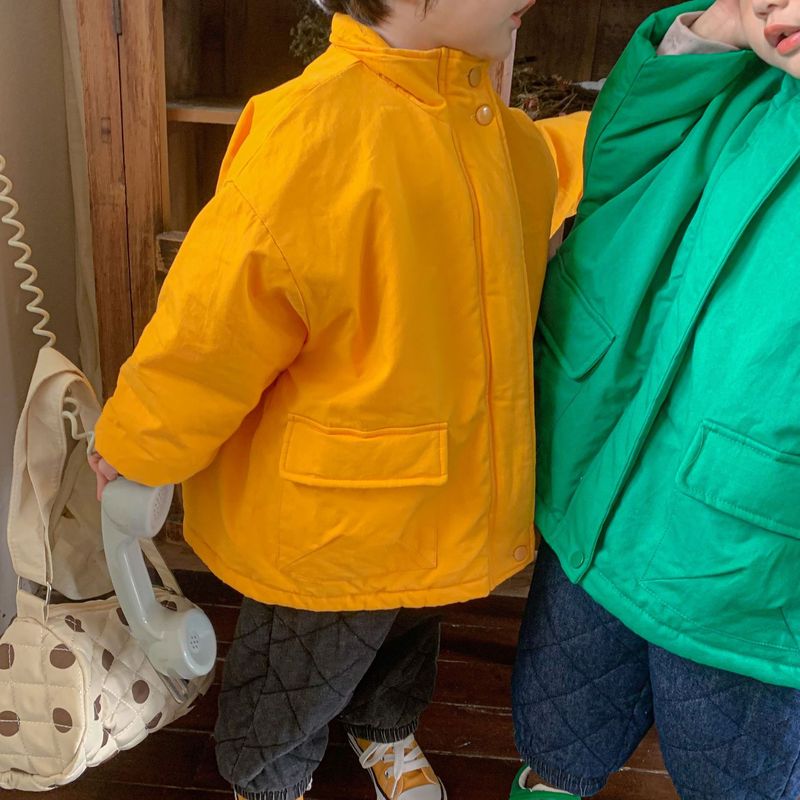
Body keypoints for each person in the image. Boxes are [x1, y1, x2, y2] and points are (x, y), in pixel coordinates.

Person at [87, 1, 588, 798]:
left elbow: (561, 165)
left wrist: (670, 86)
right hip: (333, 518)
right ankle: (268, 780)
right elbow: (211, 325)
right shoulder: (311, 133)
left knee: (410, 631)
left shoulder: (497, 131)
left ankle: (382, 729)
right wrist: (142, 446)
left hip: (443, 497)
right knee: (295, 674)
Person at [510, 0, 800, 797]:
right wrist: (721, 27)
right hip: (602, 485)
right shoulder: (741, 76)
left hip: (739, 557)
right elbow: (617, 153)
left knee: (730, 767)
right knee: (558, 725)